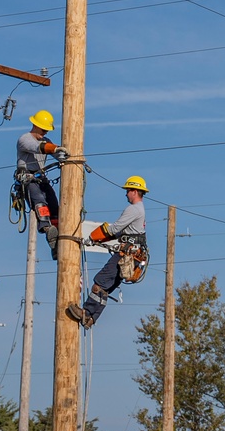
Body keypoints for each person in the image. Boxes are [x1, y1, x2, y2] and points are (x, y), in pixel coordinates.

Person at [66, 175, 149, 328]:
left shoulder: (133, 209)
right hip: (132, 256)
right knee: (105, 289)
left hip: (126, 255)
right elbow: (120, 233)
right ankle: (91, 318)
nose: (126, 194)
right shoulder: (140, 210)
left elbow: (114, 229)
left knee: (99, 282)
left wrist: (92, 238)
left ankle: (85, 312)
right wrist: (97, 240)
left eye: (127, 190)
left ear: (134, 191)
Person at [13, 110, 66, 255]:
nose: (45, 133)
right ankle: (47, 228)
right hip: (28, 180)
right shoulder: (25, 139)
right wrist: (55, 148)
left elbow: (55, 153)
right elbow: (38, 148)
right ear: (35, 125)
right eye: (43, 129)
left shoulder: (46, 141)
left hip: (41, 179)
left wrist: (65, 156)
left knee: (54, 207)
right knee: (40, 201)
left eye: (46, 130)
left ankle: (57, 241)